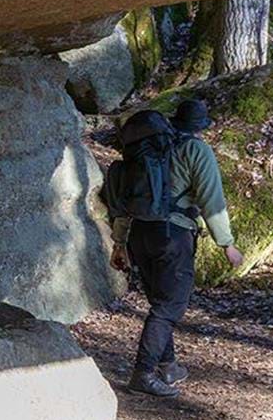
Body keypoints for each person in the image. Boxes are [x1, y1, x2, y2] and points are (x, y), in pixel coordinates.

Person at [104, 98, 243, 397]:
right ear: (200, 128)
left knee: (159, 304)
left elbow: (128, 202)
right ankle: (143, 373)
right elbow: (212, 200)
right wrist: (227, 244)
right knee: (169, 307)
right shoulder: (196, 150)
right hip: (172, 236)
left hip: (140, 234)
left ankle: (168, 366)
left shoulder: (145, 153)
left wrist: (119, 243)